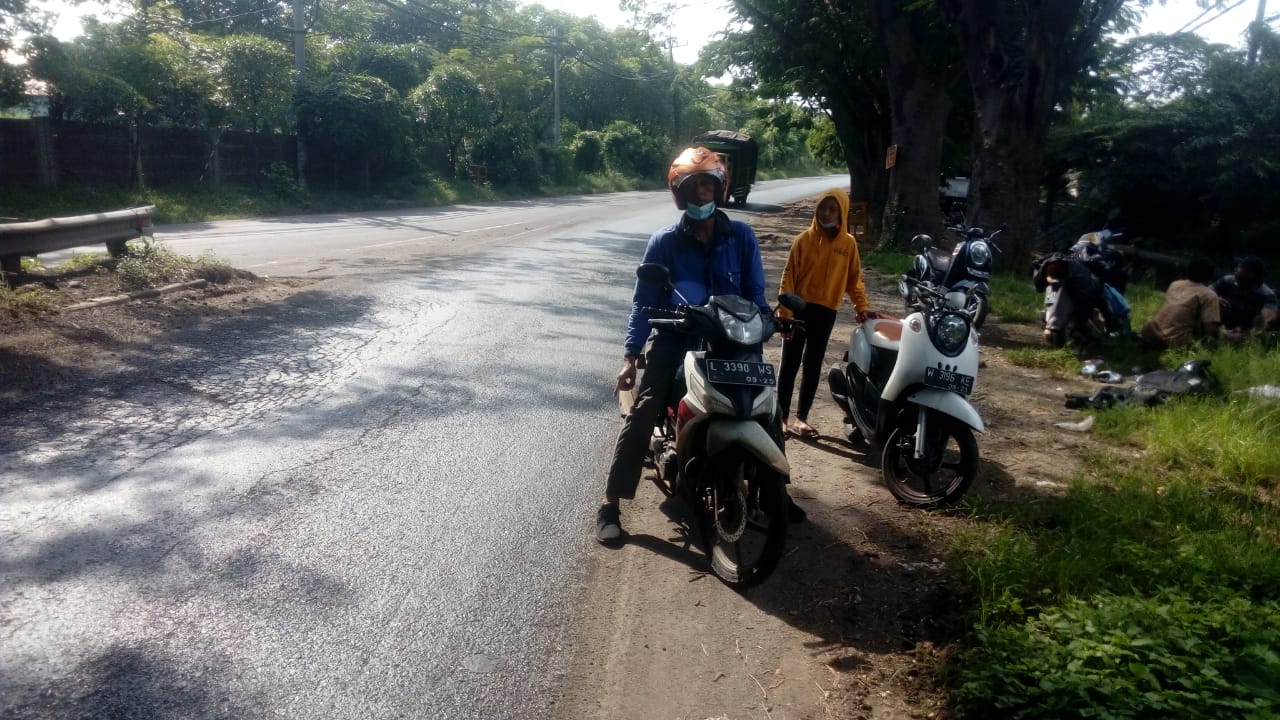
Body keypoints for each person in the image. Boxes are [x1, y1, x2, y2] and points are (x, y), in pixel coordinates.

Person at [595, 147, 775, 546]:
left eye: (707, 184)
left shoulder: (741, 237)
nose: (700, 193)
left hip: (730, 338)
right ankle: (610, 503)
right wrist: (630, 357)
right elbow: (643, 303)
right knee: (644, 409)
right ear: (680, 194)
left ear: (720, 187)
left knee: (765, 403)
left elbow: (757, 294)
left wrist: (768, 321)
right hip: (676, 337)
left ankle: (773, 489)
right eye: (692, 187)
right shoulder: (664, 243)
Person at [775, 188, 875, 439]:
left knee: (812, 364)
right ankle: (781, 418)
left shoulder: (848, 244)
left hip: (827, 310)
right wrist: (785, 312)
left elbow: (855, 280)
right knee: (790, 363)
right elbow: (788, 276)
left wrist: (861, 307)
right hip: (799, 309)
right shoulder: (803, 240)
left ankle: (801, 418)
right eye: (822, 208)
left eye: (832, 209)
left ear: (841, 212)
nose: (826, 213)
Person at [1140, 256, 1223, 349]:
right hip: (1174, 341)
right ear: (1210, 275)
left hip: (1150, 333)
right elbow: (1211, 331)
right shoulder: (1209, 295)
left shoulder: (1175, 284)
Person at [1211, 256, 1278, 337]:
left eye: (1240, 267)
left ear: (1251, 274)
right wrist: (1216, 299)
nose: (1235, 269)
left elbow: (1268, 319)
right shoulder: (1228, 280)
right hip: (1221, 322)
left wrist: (1249, 335)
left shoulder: (1267, 294)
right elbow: (1207, 293)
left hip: (1246, 328)